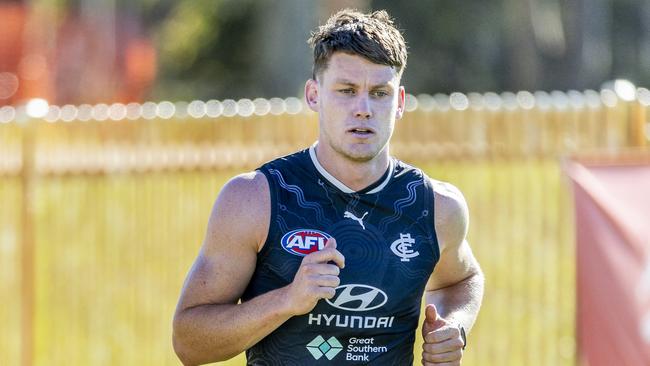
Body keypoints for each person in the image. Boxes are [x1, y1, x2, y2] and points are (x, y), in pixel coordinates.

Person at [172, 8, 484, 366]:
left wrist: (454, 328)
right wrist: (287, 300)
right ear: (313, 95)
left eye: (379, 93)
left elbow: (462, 279)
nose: (363, 109)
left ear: (399, 103)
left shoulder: (436, 206)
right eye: (347, 91)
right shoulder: (255, 199)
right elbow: (189, 343)